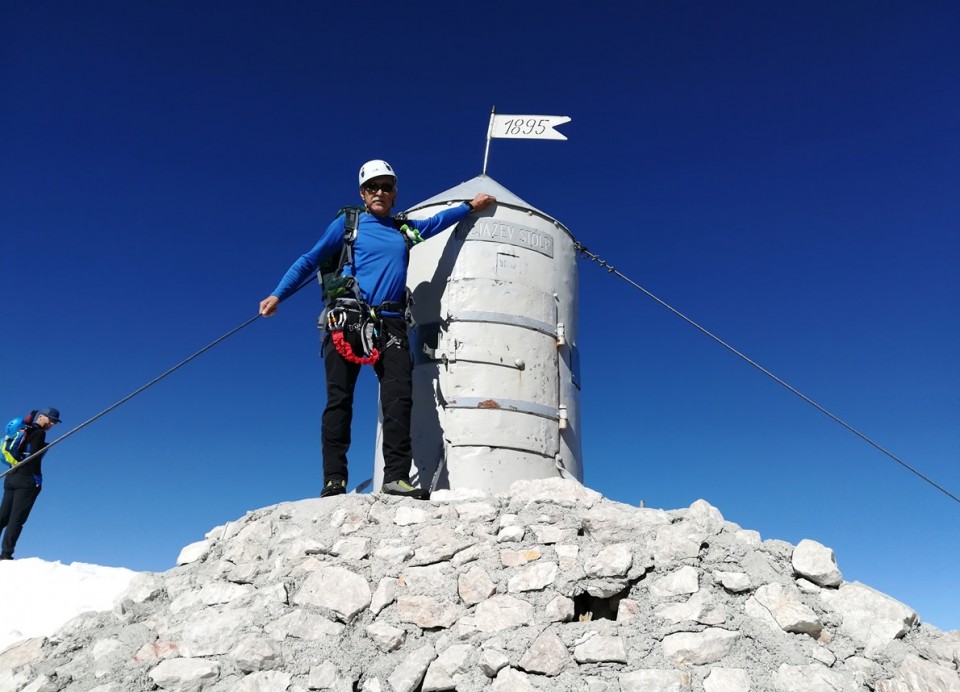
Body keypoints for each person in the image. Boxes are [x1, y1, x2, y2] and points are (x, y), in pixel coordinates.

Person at [259, 160, 495, 498]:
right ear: (363, 193)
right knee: (340, 400)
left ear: (395, 193)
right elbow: (309, 260)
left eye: (386, 187)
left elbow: (435, 222)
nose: (380, 192)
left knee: (399, 398)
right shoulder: (348, 224)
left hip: (391, 322)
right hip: (347, 319)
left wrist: (468, 206)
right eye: (373, 187)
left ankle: (396, 477)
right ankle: (334, 480)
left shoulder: (403, 231)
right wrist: (277, 294)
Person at [0, 406, 61, 560]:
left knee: (3, 516)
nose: (52, 424)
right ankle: (6, 555)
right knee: (17, 519)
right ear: (41, 416)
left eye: (54, 422)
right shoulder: (38, 433)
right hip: (27, 480)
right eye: (51, 420)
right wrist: (37, 478)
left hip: (11, 476)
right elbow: (33, 457)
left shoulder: (23, 430)